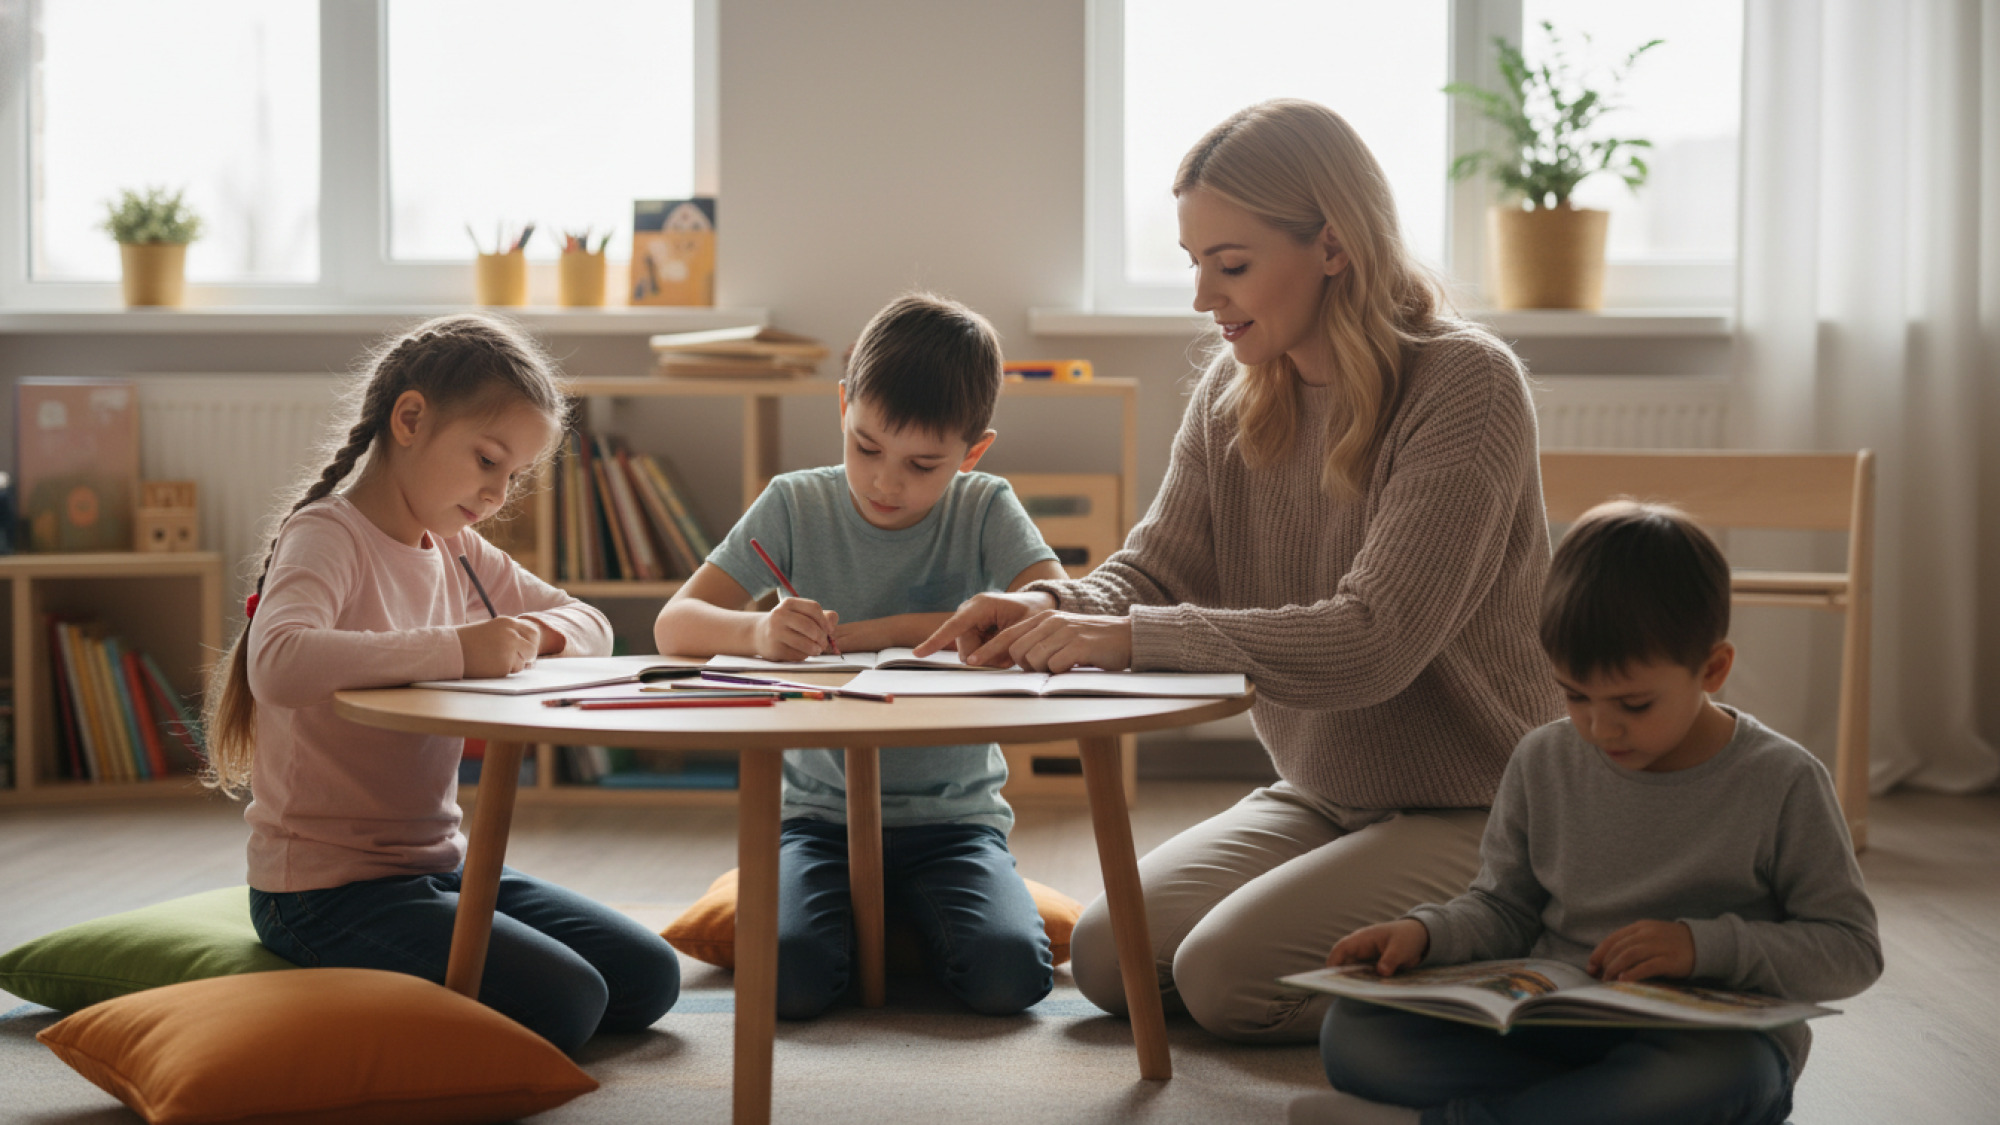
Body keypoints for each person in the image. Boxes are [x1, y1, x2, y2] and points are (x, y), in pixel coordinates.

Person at [915, 98, 1560, 1041]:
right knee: (1107, 955)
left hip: (1478, 804)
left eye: (1232, 265)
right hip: (1324, 794)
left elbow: (1373, 640)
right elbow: (1155, 570)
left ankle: (1530, 934)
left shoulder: (1466, 385)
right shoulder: (1233, 387)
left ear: (1333, 246)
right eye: (1194, 264)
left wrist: (1127, 638)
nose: (1202, 297)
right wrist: (1046, 603)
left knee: (1223, 981)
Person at [1297, 501, 1883, 1125]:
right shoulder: (1542, 758)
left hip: (1699, 1043)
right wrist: (1424, 935)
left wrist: (1699, 947)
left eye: (1634, 703)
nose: (1601, 727)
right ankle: (1576, 1110)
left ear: (1712, 669)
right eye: (1576, 695)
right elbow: (1503, 907)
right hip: (1552, 1024)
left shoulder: (1783, 780)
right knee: (1355, 1032)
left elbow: (1851, 951)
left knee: (1717, 1079)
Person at [201, 313, 680, 1054]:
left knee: (650, 976)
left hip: (437, 863)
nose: (497, 493)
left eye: (513, 476)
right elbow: (280, 660)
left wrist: (533, 637)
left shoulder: (456, 549)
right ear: (411, 419)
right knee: (572, 1001)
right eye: (487, 460)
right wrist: (458, 649)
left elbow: (590, 621)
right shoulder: (328, 534)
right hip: (323, 892)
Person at [653, 293, 1068, 1019]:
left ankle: (904, 913)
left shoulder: (984, 506)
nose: (885, 481)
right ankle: (862, 914)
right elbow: (674, 624)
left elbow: (1060, 609)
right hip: (818, 820)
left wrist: (878, 629)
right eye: (865, 445)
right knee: (787, 981)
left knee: (1011, 980)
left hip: (956, 821)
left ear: (972, 452)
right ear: (844, 405)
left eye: (922, 463)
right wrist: (755, 633)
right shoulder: (794, 503)